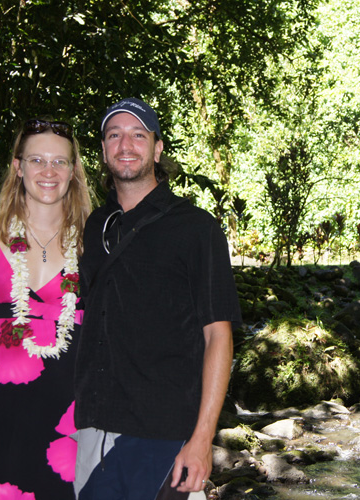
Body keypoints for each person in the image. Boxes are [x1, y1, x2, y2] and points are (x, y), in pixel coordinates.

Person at [73, 97, 241, 499]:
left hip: (163, 438)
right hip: (91, 429)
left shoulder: (197, 229)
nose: (125, 145)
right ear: (102, 150)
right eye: (114, 135)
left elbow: (219, 337)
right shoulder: (94, 226)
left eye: (137, 134)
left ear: (157, 147)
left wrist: (202, 440)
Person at [0, 118, 91, 499]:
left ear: (74, 171)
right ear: (18, 166)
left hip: (67, 423)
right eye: (37, 160)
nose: (48, 171)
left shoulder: (93, 242)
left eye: (60, 162)